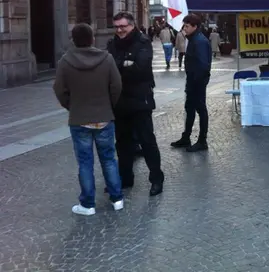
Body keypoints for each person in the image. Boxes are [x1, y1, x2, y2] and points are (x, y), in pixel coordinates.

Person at [53, 23, 124, 216]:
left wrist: (72, 105)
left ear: (73, 40)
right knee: (109, 159)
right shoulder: (106, 58)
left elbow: (59, 89)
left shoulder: (65, 61)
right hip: (104, 117)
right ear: (92, 38)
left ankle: (88, 204)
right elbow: (116, 86)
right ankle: (117, 198)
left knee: (85, 163)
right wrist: (108, 105)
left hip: (79, 118)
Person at [107, 12, 164, 196]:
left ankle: (156, 179)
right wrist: (125, 64)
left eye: (123, 26)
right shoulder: (112, 44)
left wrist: (120, 66)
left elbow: (141, 68)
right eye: (116, 27)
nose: (119, 30)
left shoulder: (142, 41)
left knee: (147, 141)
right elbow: (109, 68)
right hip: (120, 101)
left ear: (132, 25)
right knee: (122, 143)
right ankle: (125, 178)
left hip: (141, 99)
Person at [170, 14, 212, 152]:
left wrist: (196, 82)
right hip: (193, 81)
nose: (184, 29)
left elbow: (202, 65)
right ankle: (186, 137)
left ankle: (202, 141)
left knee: (201, 110)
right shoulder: (194, 39)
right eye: (184, 26)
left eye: (187, 26)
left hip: (197, 83)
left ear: (195, 26)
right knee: (189, 109)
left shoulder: (200, 41)